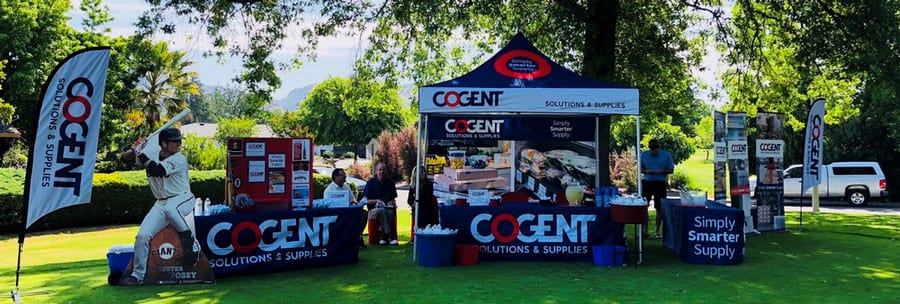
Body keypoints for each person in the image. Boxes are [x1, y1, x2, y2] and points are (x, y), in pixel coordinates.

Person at [118, 128, 200, 286]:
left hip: (182, 197)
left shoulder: (179, 159)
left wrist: (141, 154)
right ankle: (137, 275)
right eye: (174, 141)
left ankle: (191, 243)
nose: (178, 143)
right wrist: (134, 149)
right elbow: (125, 159)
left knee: (171, 209)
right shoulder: (152, 154)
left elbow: (157, 170)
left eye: (179, 140)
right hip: (161, 202)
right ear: (164, 143)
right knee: (142, 236)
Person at [640, 138, 675, 239]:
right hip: (647, 182)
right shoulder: (644, 155)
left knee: (659, 208)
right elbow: (640, 168)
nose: (653, 151)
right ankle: (645, 230)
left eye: (655, 149)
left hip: (660, 183)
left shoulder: (666, 155)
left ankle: (657, 231)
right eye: (652, 149)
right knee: (644, 206)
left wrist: (662, 171)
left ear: (658, 148)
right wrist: (646, 171)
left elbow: (671, 169)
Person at [323, 168, 367, 248]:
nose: (345, 177)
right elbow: (328, 207)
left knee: (363, 213)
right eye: (342, 175)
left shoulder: (346, 187)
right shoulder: (328, 190)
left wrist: (359, 205)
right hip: (336, 214)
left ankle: (358, 236)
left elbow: (352, 200)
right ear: (336, 177)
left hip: (348, 212)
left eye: (345, 175)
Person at [362, 162, 399, 245]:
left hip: (387, 208)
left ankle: (383, 235)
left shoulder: (390, 183)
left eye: (383, 170)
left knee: (389, 212)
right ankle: (389, 236)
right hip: (373, 209)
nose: (382, 172)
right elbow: (365, 201)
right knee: (382, 210)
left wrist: (392, 203)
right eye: (380, 170)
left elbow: (393, 199)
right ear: (376, 172)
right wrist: (376, 201)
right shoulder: (370, 183)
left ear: (386, 171)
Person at [408, 166, 438, 236]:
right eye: (422, 172)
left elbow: (428, 199)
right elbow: (409, 199)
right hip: (418, 207)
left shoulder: (429, 184)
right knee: (418, 210)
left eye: (424, 172)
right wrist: (413, 204)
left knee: (421, 210)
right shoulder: (413, 185)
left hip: (428, 207)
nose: (424, 173)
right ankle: (417, 233)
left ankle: (421, 231)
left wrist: (418, 203)